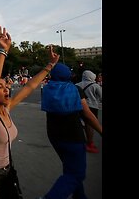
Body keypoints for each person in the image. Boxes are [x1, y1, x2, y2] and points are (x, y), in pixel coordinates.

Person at [0, 26, 59, 199]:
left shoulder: (7, 108)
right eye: (1, 88)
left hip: (8, 169)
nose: (6, 89)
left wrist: (49, 66)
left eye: (7, 86)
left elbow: (29, 87)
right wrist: (2, 51)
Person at [39, 63, 102, 199]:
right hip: (73, 136)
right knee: (76, 173)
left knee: (70, 168)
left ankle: (80, 196)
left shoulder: (47, 89)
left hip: (54, 136)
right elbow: (87, 115)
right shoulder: (75, 90)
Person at [75, 70, 102, 153]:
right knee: (90, 125)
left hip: (79, 106)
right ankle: (89, 142)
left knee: (79, 123)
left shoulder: (76, 85)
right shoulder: (95, 86)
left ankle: (80, 140)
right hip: (92, 107)